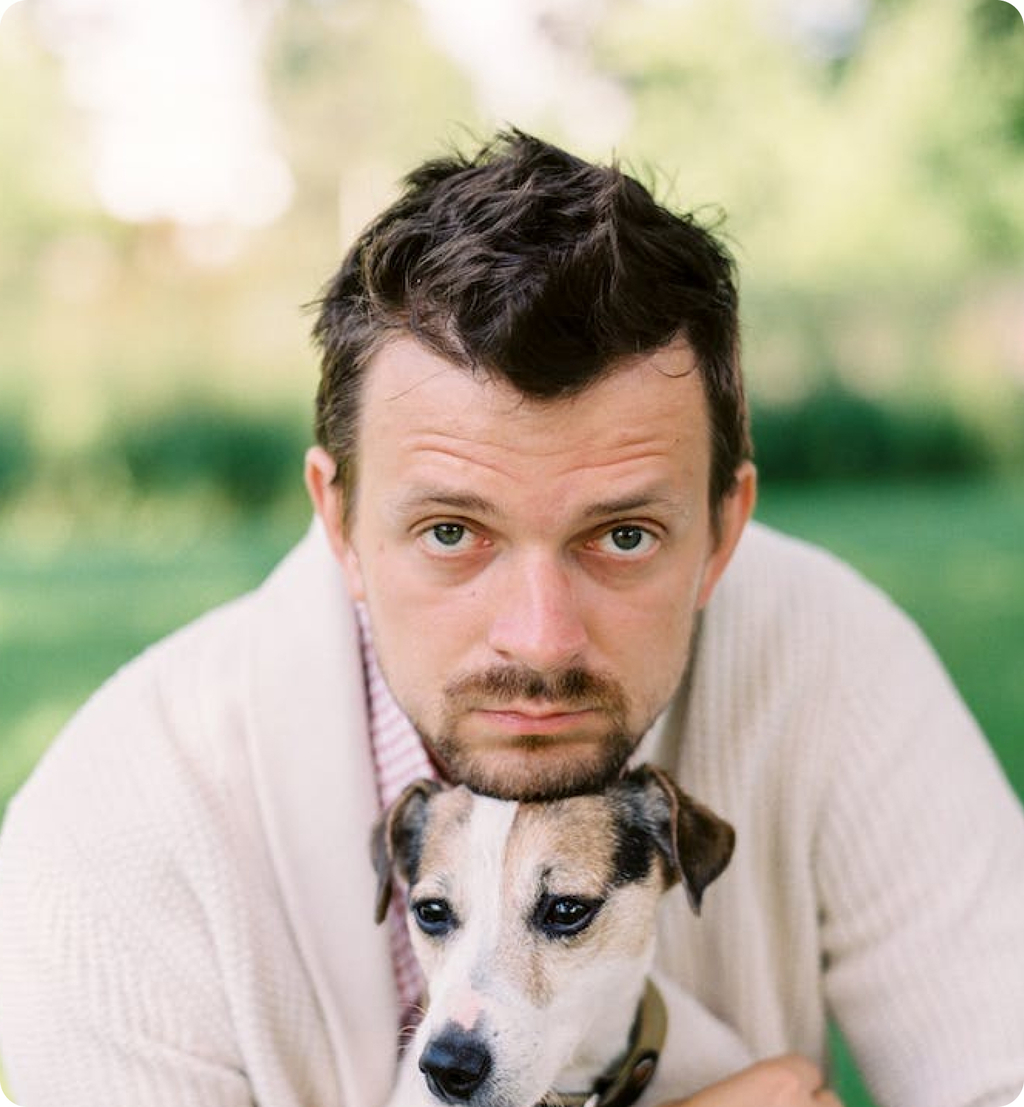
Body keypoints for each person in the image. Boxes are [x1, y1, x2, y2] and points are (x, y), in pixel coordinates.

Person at [0, 130, 1022, 1107]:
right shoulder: (120, 827)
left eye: (622, 535)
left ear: (723, 531)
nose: (539, 638)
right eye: (453, 531)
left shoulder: (833, 658)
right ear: (340, 524)